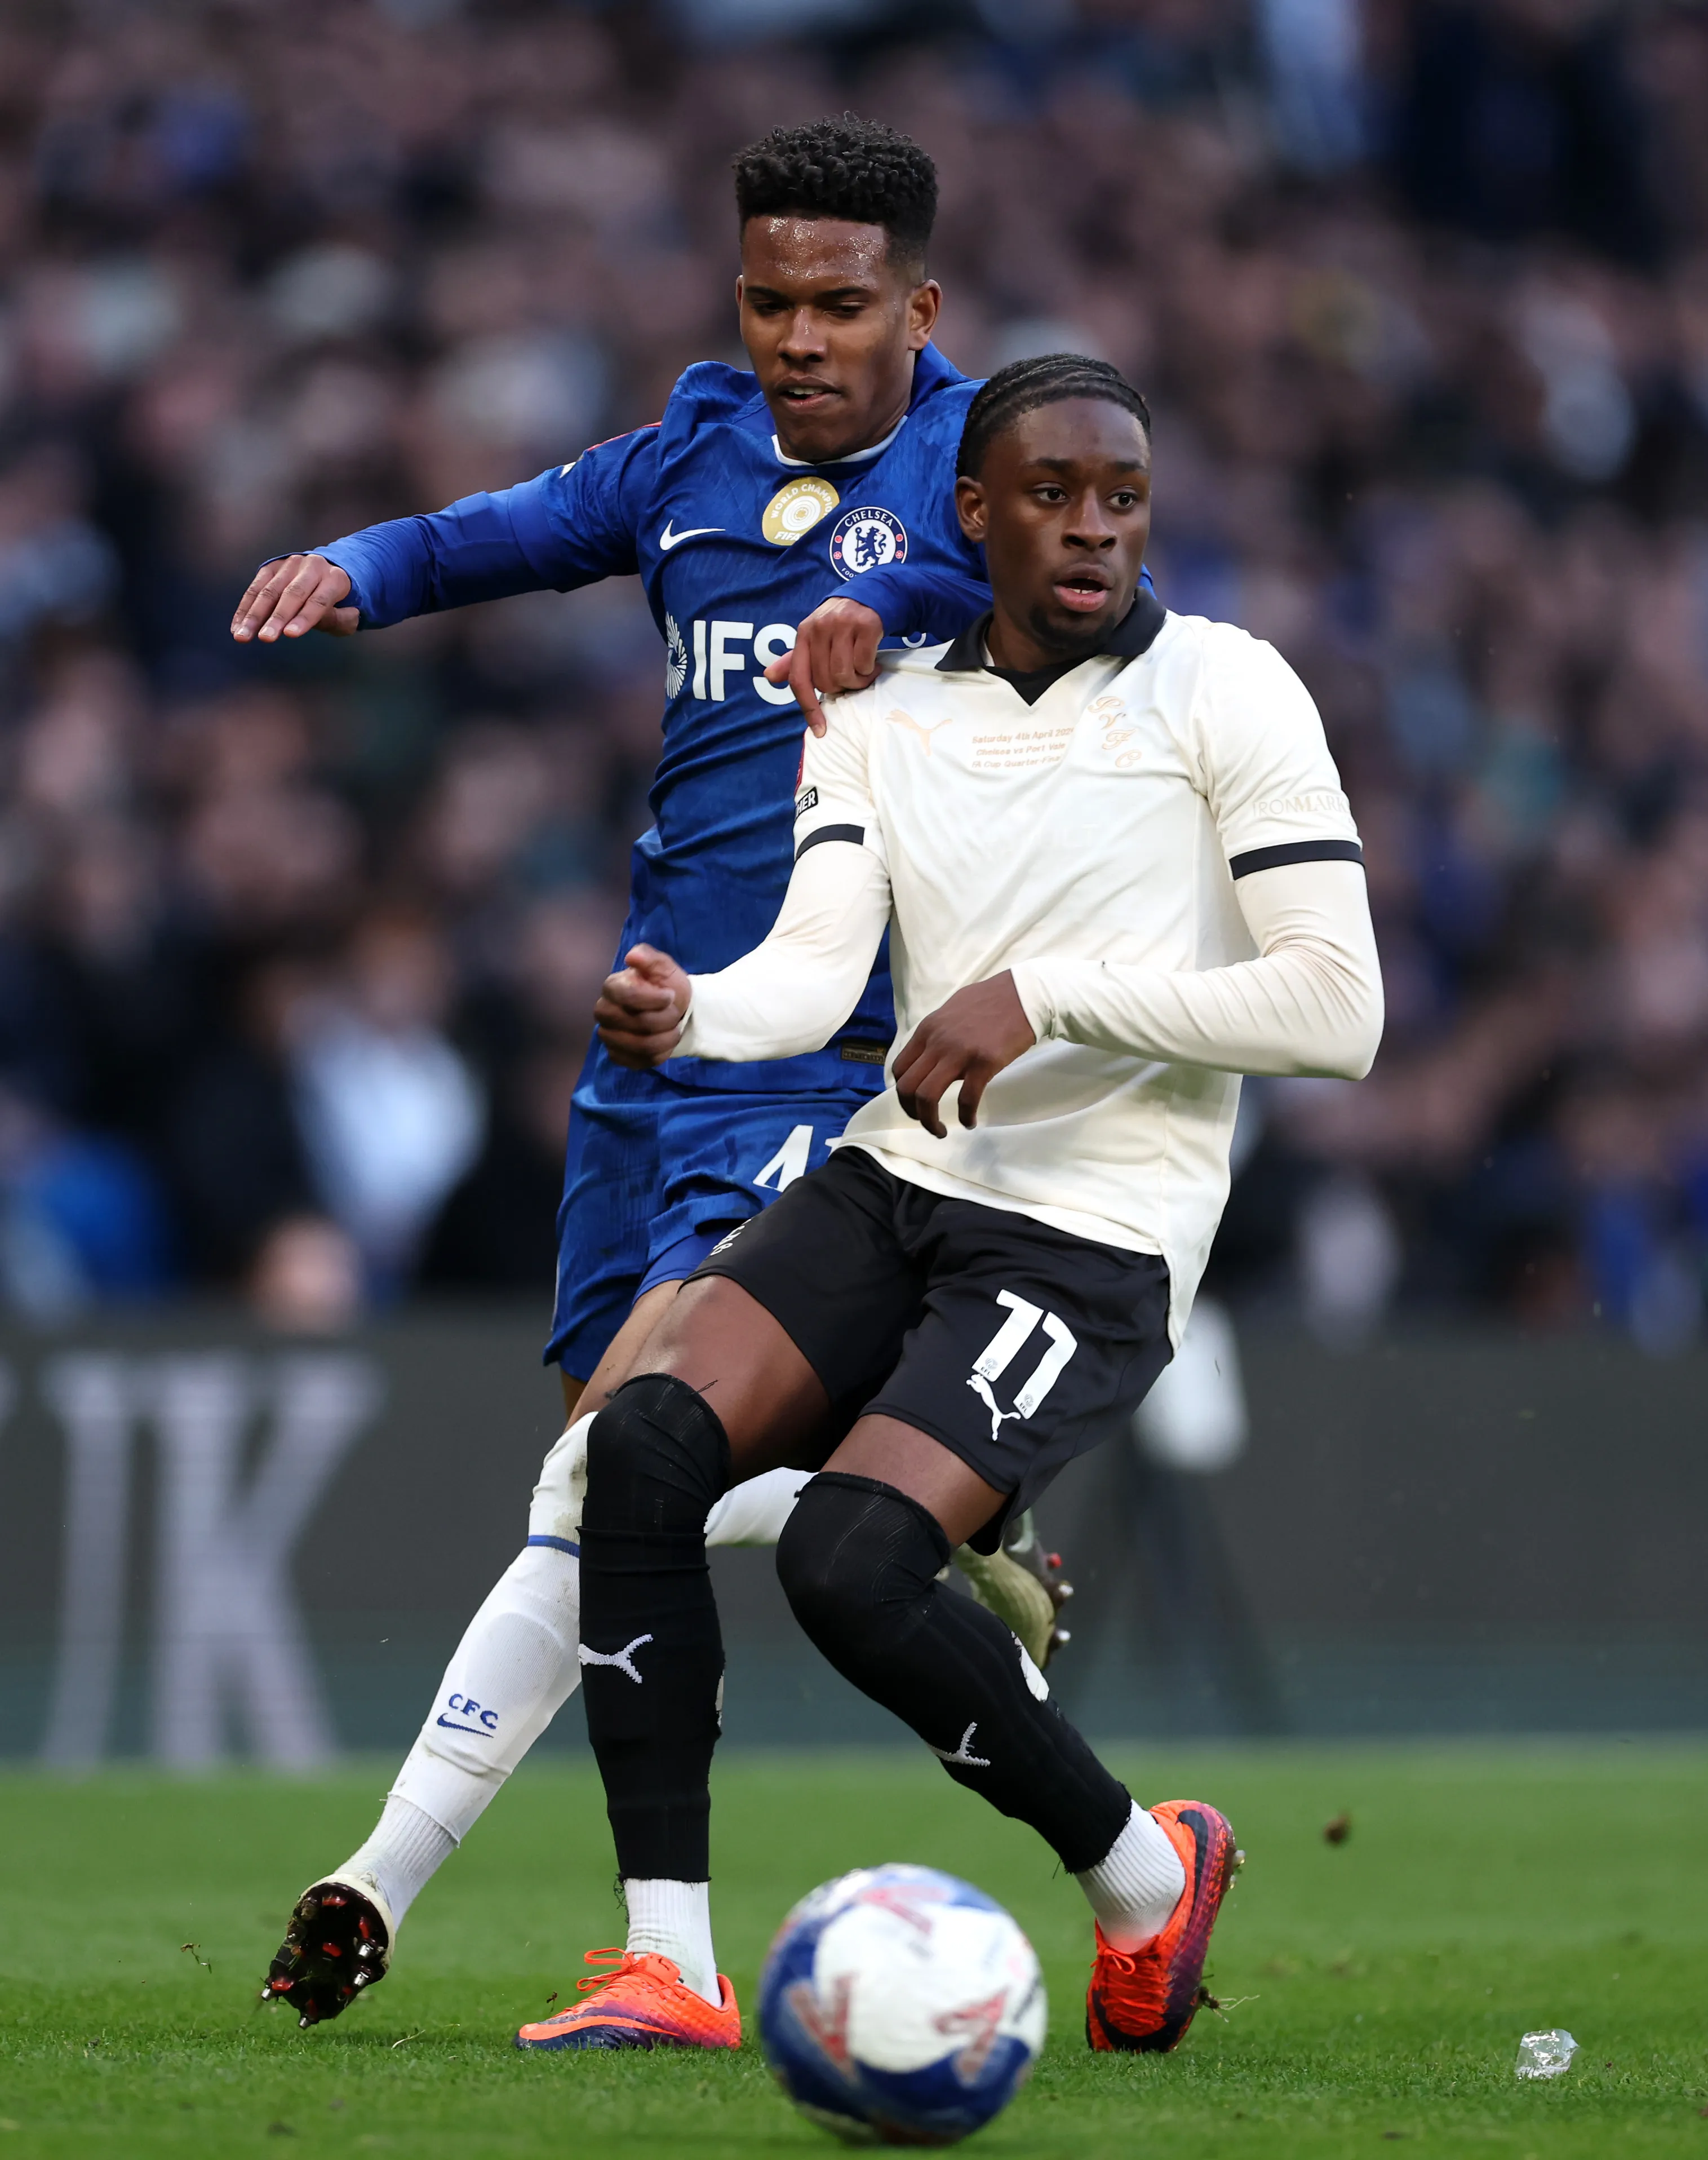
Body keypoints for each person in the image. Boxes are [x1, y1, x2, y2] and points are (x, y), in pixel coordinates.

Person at [244, 117, 1071, 2029]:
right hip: (645, 1063)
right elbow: (491, 533)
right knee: (629, 1509)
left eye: (839, 306)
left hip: (821, 1050)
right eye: (771, 298)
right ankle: (952, 1531)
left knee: (614, 1451)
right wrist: (355, 566)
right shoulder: (690, 452)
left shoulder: (987, 469)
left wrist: (935, 622)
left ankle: (466, 1906)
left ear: (918, 307)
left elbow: (1079, 632)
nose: (799, 337)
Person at [524, 353, 1382, 2054]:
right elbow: (811, 969)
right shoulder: (886, 709)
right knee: (639, 1446)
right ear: (967, 516)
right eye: (1050, 495)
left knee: (849, 1562)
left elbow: (1333, 1011)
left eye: (1120, 497)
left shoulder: (1231, 691)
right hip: (897, 1176)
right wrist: (690, 1013)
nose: (1090, 529)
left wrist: (1044, 993)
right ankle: (665, 1964)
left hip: (1095, 1224)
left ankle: (1141, 1874)